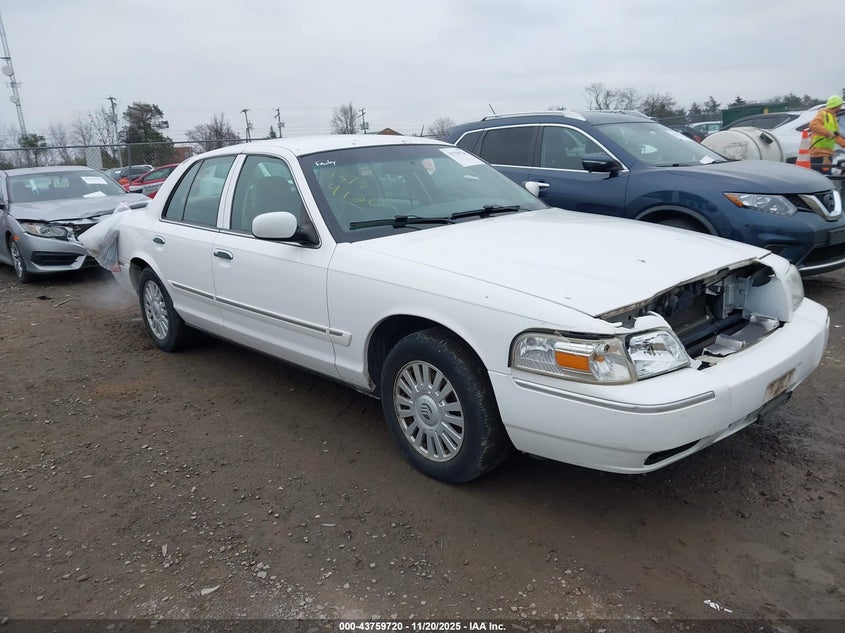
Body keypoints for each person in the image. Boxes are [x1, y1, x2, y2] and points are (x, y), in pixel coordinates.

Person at [808, 95, 845, 174]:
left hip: (826, 154)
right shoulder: (823, 114)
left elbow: (835, 136)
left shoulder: (832, 117)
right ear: (837, 105)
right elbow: (813, 125)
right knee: (821, 178)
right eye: (840, 105)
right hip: (818, 154)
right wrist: (827, 132)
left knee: (825, 177)